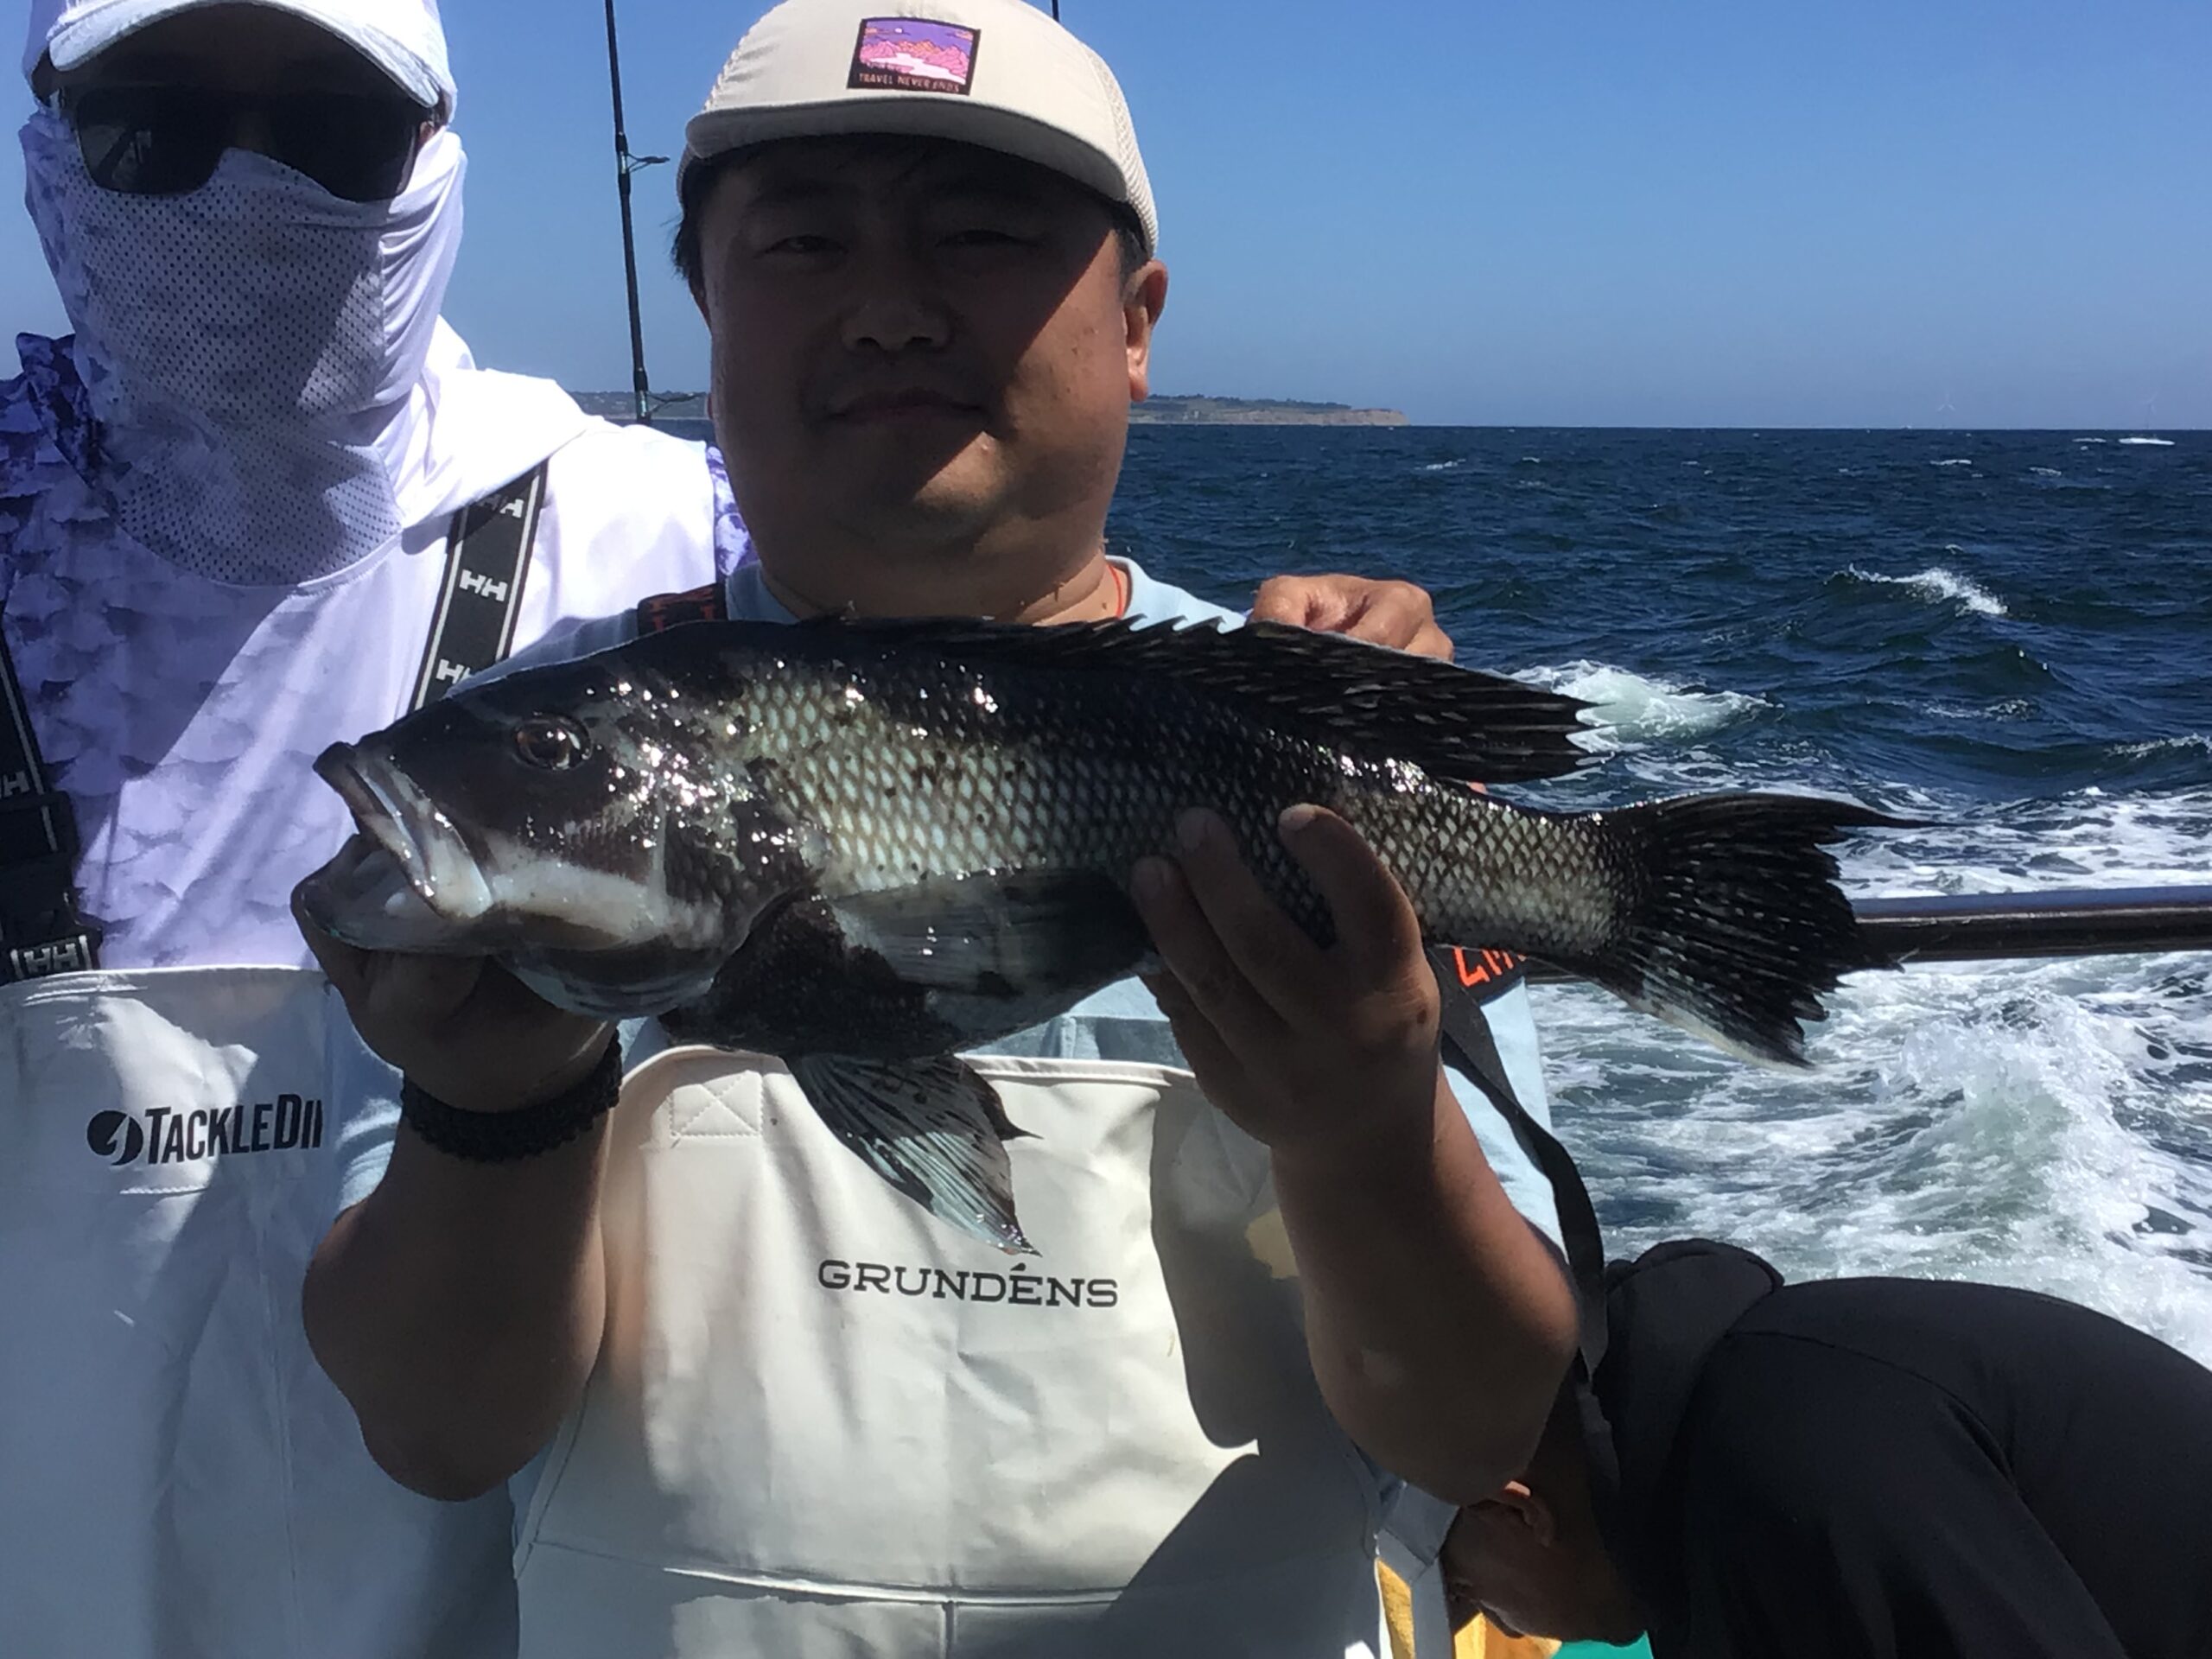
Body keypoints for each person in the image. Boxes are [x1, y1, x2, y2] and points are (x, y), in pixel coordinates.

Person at [0, 2, 1461, 1653]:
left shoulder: (638, 543)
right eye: (154, 132)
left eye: (329, 139)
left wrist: (1345, 703)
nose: (239, 194)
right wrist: (489, 1095)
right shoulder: (617, 636)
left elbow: (959, 566)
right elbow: (431, 1417)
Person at [1440, 1238, 2212, 1657]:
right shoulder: (1701, 1485)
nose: (1509, 1632)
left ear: (1514, 1512)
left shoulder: (1784, 1468)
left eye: (1471, 1594)